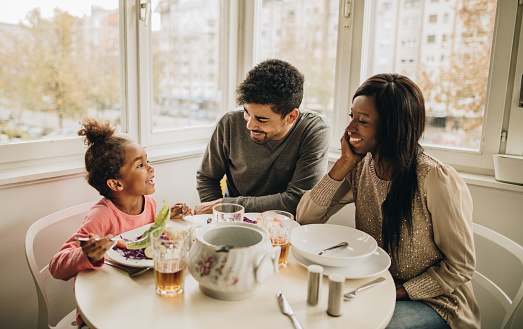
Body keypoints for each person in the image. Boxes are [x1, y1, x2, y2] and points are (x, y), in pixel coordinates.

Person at [296, 73, 479, 329]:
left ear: (391, 128)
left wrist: (398, 291)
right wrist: (345, 163)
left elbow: (461, 267)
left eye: (362, 121)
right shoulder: (361, 167)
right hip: (376, 288)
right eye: (352, 117)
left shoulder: (434, 178)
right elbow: (305, 217)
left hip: (437, 302)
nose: (349, 129)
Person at [49, 118, 191, 328]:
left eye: (147, 160)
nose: (151, 168)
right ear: (116, 183)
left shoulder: (149, 203)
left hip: (138, 296)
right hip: (105, 309)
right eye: (141, 165)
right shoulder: (102, 216)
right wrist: (87, 253)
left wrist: (170, 216)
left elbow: (150, 236)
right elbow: (56, 266)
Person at [195, 59, 331, 216]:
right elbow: (207, 178)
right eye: (246, 112)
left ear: (291, 116)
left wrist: (228, 205)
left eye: (261, 119)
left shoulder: (314, 130)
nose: (250, 125)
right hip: (234, 220)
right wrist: (222, 215)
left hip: (283, 227)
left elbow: (297, 200)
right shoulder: (229, 122)